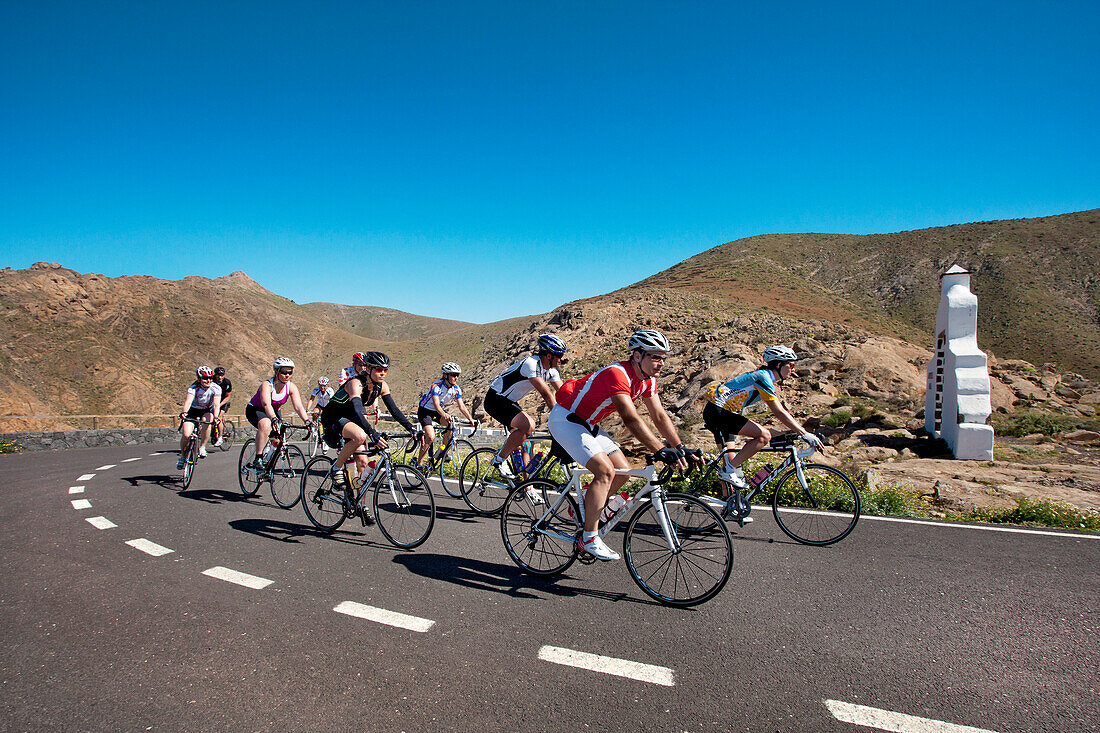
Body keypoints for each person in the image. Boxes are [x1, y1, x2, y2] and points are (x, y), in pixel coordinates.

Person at [549, 329, 700, 561]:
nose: (661, 363)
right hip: (565, 419)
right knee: (605, 471)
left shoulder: (648, 380)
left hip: (587, 423)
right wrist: (659, 450)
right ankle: (588, 538)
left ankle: (587, 501)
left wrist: (679, 447)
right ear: (637, 356)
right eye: (655, 356)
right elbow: (630, 419)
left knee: (623, 472)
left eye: (664, 358)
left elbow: (659, 416)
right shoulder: (617, 374)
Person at [702, 344, 825, 506]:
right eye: (791, 365)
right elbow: (778, 411)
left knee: (732, 463)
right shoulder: (763, 377)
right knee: (763, 436)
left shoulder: (765, 377)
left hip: (723, 412)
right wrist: (804, 433)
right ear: (779, 364)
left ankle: (731, 506)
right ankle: (728, 474)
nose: (793, 369)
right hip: (718, 412)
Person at [321, 351, 418, 523]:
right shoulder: (355, 384)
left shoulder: (382, 386)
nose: (383, 373)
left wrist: (411, 428)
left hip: (351, 418)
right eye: (379, 369)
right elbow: (358, 410)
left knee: (363, 465)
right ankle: (336, 468)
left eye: (386, 370)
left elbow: (394, 411)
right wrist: (372, 433)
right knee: (359, 436)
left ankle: (361, 506)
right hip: (333, 417)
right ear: (369, 369)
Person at [484, 334, 567, 478]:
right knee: (528, 426)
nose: (561, 359)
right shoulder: (531, 364)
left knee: (528, 444)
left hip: (510, 402)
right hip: (495, 399)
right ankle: (499, 460)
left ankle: (525, 486)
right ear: (548, 355)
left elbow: (565, 394)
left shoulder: (552, 370)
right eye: (559, 355)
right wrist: (559, 420)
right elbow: (546, 394)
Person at [245, 357, 312, 470]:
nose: (287, 375)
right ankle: (258, 457)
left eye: (290, 372)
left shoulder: (291, 387)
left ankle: (268, 463)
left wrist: (307, 421)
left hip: (274, 410)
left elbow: (298, 406)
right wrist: (273, 418)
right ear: (276, 372)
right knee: (266, 425)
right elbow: (266, 404)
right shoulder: (267, 385)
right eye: (284, 372)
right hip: (256, 409)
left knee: (278, 438)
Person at [415, 362, 476, 468]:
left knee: (451, 426)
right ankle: (419, 463)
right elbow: (436, 404)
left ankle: (443, 451)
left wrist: (470, 419)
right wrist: (444, 414)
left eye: (457, 375)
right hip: (425, 411)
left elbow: (461, 406)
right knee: (430, 436)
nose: (456, 377)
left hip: (437, 412)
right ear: (445, 375)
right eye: (453, 375)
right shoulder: (436, 386)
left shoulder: (456, 389)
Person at [177, 366, 221, 469]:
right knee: (186, 434)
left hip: (205, 410)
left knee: (209, 420)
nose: (208, 380)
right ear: (199, 379)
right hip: (192, 411)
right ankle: (183, 456)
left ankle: (202, 447)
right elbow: (188, 402)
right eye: (205, 378)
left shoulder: (216, 388)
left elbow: (216, 404)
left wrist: (216, 417)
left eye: (210, 378)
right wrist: (184, 412)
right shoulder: (193, 388)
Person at [306, 376, 335, 454]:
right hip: (320, 405)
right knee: (315, 413)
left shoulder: (330, 391)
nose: (322, 387)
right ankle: (315, 428)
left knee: (326, 423)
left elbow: (332, 401)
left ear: (327, 385)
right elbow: (311, 399)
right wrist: (307, 409)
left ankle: (326, 441)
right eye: (321, 385)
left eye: (324, 386)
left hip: (328, 406)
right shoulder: (316, 390)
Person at [212, 366, 232, 447]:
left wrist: (219, 405)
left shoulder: (227, 382)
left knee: (218, 418)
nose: (220, 377)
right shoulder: (211, 380)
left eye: (222, 375)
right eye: (218, 375)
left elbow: (228, 396)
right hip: (213, 401)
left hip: (223, 402)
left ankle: (220, 438)